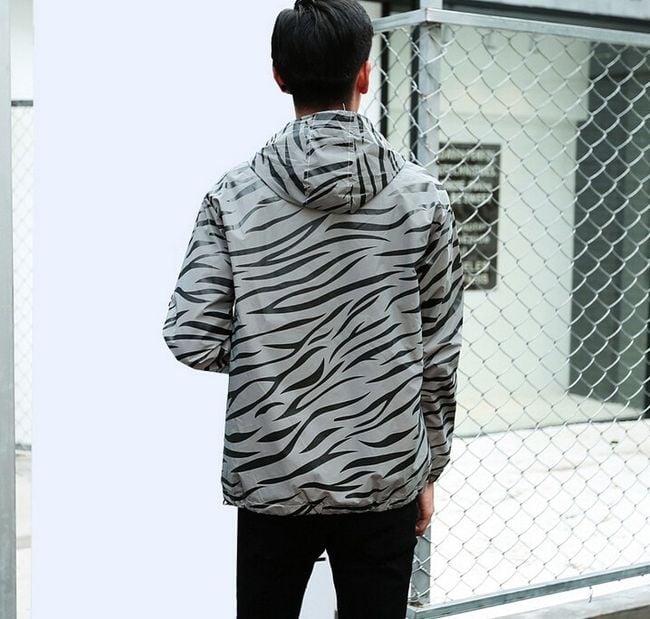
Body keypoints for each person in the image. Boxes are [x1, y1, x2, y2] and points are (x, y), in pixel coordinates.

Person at [162, 0, 464, 616]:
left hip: (272, 470)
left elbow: (191, 336)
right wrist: (428, 465)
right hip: (384, 468)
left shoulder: (234, 195)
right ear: (365, 74)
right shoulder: (422, 198)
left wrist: (276, 352)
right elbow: (439, 352)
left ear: (279, 76)